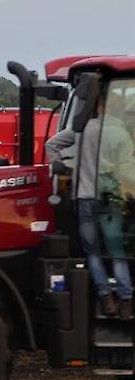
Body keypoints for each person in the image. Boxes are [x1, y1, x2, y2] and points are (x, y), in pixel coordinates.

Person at [47, 94, 135, 319]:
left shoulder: (83, 128)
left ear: (98, 106)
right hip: (111, 199)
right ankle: (125, 300)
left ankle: (106, 297)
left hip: (85, 197)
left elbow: (52, 144)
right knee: (117, 252)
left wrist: (63, 166)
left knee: (92, 251)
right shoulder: (121, 135)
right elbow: (127, 173)